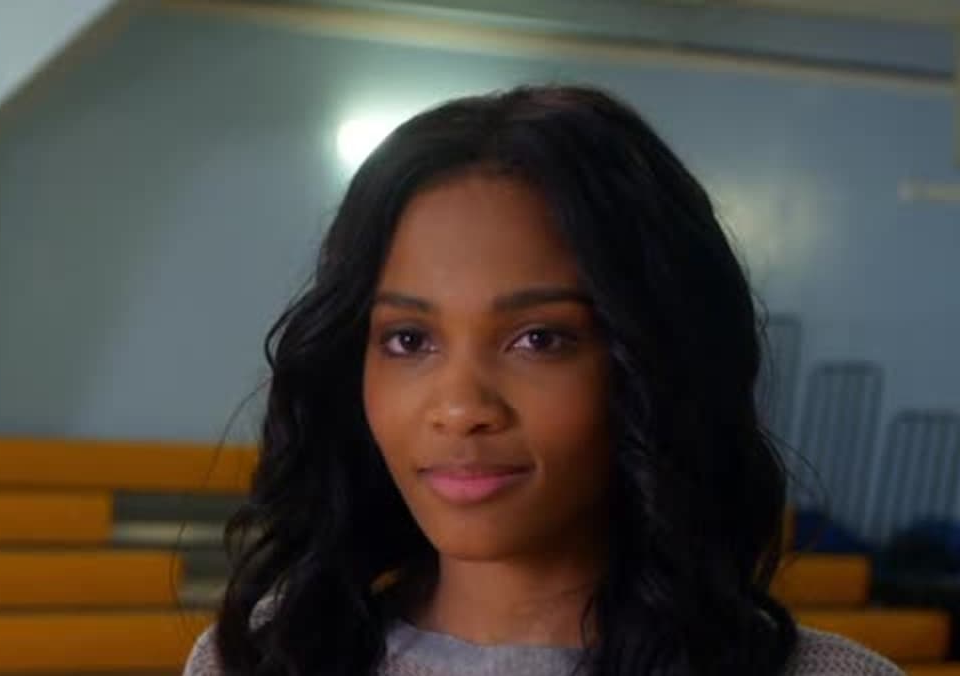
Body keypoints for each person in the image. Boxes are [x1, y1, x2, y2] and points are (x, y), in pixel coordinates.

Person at [186, 85, 899, 675]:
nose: (461, 407)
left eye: (539, 339)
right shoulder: (259, 659)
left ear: (653, 362)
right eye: (409, 339)